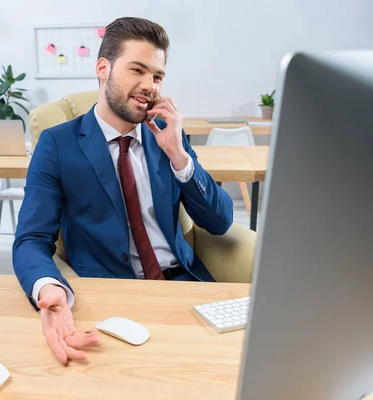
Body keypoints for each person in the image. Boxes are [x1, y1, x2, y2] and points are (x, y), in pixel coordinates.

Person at [13, 17, 234, 365]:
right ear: (103, 68)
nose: (150, 86)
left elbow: (220, 221)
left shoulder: (168, 136)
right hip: (113, 297)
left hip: (183, 285)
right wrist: (47, 286)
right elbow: (30, 239)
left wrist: (178, 155)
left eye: (157, 76)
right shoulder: (57, 144)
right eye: (137, 70)